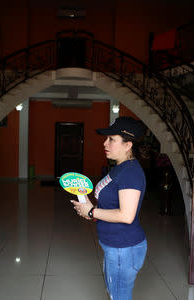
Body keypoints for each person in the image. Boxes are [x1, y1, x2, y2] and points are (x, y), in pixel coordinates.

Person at [71, 116, 147, 300]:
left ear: (128, 145)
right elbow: (112, 205)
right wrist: (92, 212)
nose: (105, 143)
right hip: (116, 247)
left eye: (111, 139)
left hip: (123, 249)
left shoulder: (130, 172)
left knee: (118, 296)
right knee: (114, 294)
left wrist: (92, 211)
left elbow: (127, 215)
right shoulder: (119, 167)